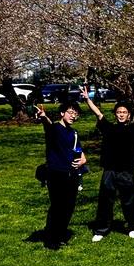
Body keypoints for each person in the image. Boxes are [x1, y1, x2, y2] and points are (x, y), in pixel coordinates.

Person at [81, 86, 134, 242]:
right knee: (105, 200)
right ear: (115, 114)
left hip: (127, 170)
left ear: (128, 115)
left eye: (124, 112)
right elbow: (98, 113)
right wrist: (87, 99)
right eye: (119, 112)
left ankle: (132, 226)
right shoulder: (108, 128)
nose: (121, 114)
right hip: (109, 170)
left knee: (129, 200)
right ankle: (101, 229)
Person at [35, 101, 88, 249]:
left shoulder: (74, 133)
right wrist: (44, 116)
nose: (73, 116)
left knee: (69, 206)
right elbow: (48, 125)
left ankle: (61, 234)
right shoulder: (54, 129)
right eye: (70, 113)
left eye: (76, 114)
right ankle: (51, 239)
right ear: (62, 113)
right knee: (57, 206)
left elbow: (78, 149)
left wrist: (83, 159)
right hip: (56, 173)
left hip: (71, 174)